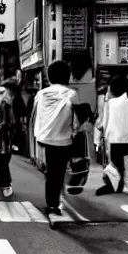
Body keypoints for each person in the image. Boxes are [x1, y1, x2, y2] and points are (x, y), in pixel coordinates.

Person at [33, 60, 79, 215]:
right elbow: (77, 119)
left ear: (49, 76)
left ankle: (52, 204)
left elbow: (35, 116)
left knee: (51, 174)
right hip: (63, 139)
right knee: (58, 173)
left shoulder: (41, 94)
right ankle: (55, 203)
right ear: (67, 76)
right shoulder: (72, 94)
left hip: (44, 138)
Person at [97, 75, 128, 195]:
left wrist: (102, 139)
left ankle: (115, 185)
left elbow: (104, 124)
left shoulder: (110, 104)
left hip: (115, 141)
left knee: (116, 165)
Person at [0, 78, 26, 197]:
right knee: (3, 159)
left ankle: (2, 180)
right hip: (6, 134)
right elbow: (20, 117)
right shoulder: (12, 99)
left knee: (0, 158)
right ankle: (5, 184)